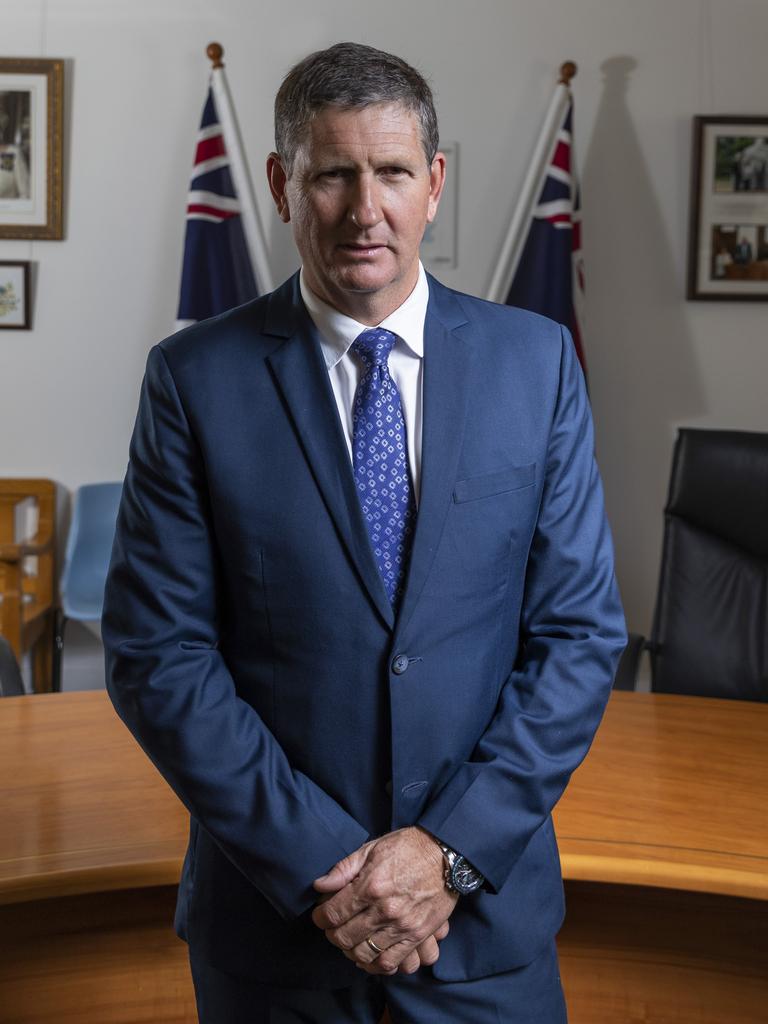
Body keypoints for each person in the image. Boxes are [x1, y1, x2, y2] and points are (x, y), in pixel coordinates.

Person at [103, 41, 626, 1024]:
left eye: (390, 172)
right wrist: (323, 867)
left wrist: (445, 852)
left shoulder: (536, 363)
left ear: (433, 184)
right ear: (280, 185)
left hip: (481, 933)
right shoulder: (194, 381)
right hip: (277, 937)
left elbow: (578, 635)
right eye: (331, 173)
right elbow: (157, 652)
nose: (363, 207)